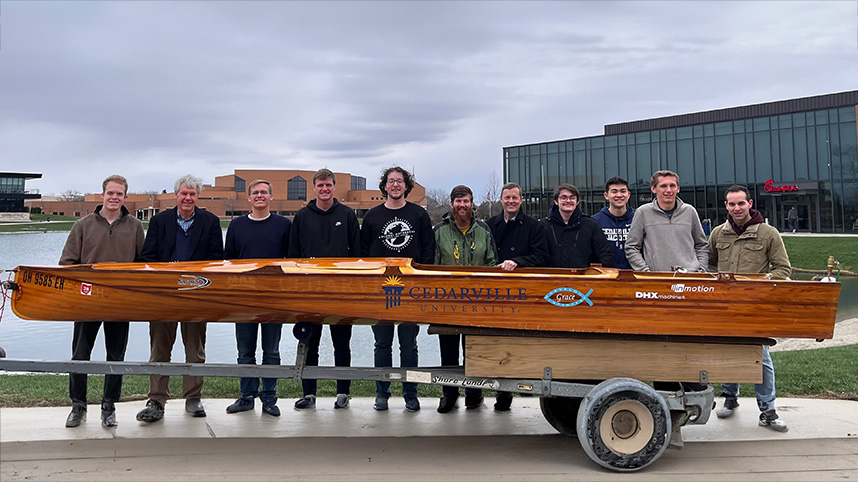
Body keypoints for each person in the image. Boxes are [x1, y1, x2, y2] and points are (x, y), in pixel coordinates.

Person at [136, 175, 224, 423]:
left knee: (195, 350)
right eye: (184, 193)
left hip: (197, 295)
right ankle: (156, 400)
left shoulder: (210, 222)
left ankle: (193, 397)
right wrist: (169, 271)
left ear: (198, 196)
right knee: (159, 350)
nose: (188, 198)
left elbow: (217, 259)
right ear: (176, 195)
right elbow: (147, 258)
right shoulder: (159, 221)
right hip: (164, 296)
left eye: (192, 194)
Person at [60, 175, 144, 428]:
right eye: (110, 193)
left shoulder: (135, 226)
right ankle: (78, 405)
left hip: (119, 302)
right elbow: (67, 264)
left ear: (125, 197)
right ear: (102, 195)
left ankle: (109, 406)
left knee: (115, 356)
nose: (114, 197)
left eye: (119, 194)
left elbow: (143, 265)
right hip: (87, 301)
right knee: (80, 355)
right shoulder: (83, 225)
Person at [708, 184, 790, 432]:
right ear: (726, 206)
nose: (737, 208)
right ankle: (730, 397)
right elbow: (709, 265)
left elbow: (783, 269)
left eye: (741, 203)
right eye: (732, 204)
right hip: (725, 307)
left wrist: (759, 284)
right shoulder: (718, 234)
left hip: (755, 308)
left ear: (750, 204)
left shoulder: (768, 233)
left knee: (760, 358)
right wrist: (717, 281)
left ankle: (768, 411)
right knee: (728, 352)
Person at [361, 166, 435, 412]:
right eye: (391, 181)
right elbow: (363, 253)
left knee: (409, 345)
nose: (395, 185)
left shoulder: (419, 214)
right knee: (382, 344)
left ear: (406, 186)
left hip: (410, 289)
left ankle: (410, 393)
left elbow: (428, 250)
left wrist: (421, 280)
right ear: (385, 186)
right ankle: (382, 392)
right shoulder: (372, 216)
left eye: (400, 181)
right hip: (380, 289)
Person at [289, 169, 360, 410]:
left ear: (334, 187)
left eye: (328, 185)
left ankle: (343, 392)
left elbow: (357, 255)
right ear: (314, 188)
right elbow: (293, 256)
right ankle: (309, 393)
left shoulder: (347, 215)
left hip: (341, 291)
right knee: (310, 343)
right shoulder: (302, 216)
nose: (324, 189)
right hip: (309, 291)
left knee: (342, 344)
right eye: (320, 185)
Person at [223, 180, 291, 417]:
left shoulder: (284, 225)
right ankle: (246, 397)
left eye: (264, 192)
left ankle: (269, 398)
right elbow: (229, 262)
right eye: (255, 193)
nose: (260, 195)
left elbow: (291, 261)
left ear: (271, 197)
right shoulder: (237, 225)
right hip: (244, 298)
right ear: (249, 198)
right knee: (245, 351)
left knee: (271, 351)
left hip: (274, 298)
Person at [434, 185, 498, 413]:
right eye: (458, 201)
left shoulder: (483, 230)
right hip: (447, 302)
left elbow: (492, 263)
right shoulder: (439, 231)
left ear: (472, 204)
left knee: (473, 349)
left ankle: (474, 394)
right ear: (452, 204)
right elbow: (432, 266)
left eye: (466, 201)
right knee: (448, 351)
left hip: (477, 302)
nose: (462, 205)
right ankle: (449, 394)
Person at [485, 182, 547, 411]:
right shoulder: (490, 225)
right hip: (496, 293)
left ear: (521, 200)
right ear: (501, 199)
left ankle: (518, 388)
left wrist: (517, 262)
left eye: (515, 198)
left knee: (518, 343)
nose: (511, 201)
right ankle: (499, 392)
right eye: (507, 197)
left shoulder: (534, 226)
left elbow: (541, 256)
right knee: (497, 343)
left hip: (522, 293)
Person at [625, 170, 708, 272]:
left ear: (678, 188)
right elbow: (632, 247)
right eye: (663, 186)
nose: (668, 190)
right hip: (657, 277)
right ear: (653, 189)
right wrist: (644, 270)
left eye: (672, 186)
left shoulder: (690, 211)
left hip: (690, 276)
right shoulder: (643, 213)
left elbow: (702, 245)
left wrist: (702, 270)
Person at [541, 183, 613, 268]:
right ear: (556, 201)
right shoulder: (543, 226)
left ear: (577, 201)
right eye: (563, 197)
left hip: (584, 276)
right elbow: (538, 256)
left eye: (572, 197)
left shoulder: (591, 225)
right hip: (552, 276)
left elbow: (605, 255)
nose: (568, 201)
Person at [592, 176, 635, 270]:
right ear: (606, 196)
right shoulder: (595, 221)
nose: (619, 195)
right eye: (614, 191)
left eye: (623, 191)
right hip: (605, 274)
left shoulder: (638, 219)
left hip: (634, 274)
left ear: (628, 194)